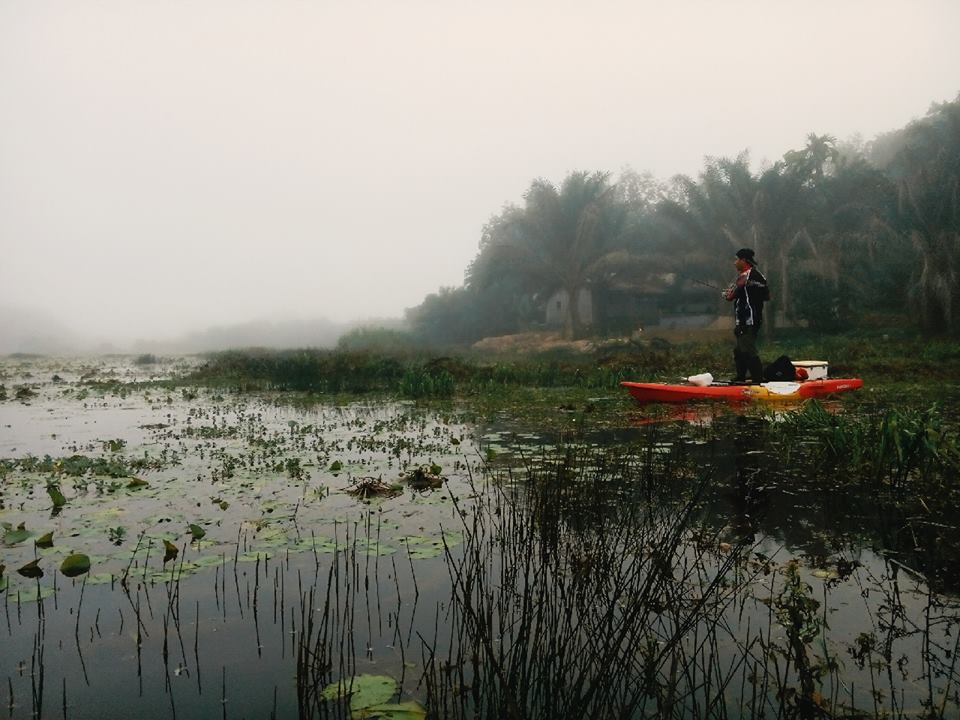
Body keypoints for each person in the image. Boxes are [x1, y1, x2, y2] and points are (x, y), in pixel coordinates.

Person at [723, 248, 769, 383]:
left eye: (737, 259)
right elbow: (767, 296)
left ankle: (758, 380)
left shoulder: (745, 276)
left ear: (743, 260)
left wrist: (727, 294)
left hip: (747, 320)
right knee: (739, 351)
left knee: (747, 350)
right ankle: (741, 377)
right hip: (752, 319)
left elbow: (730, 296)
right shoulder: (760, 276)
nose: (734, 263)